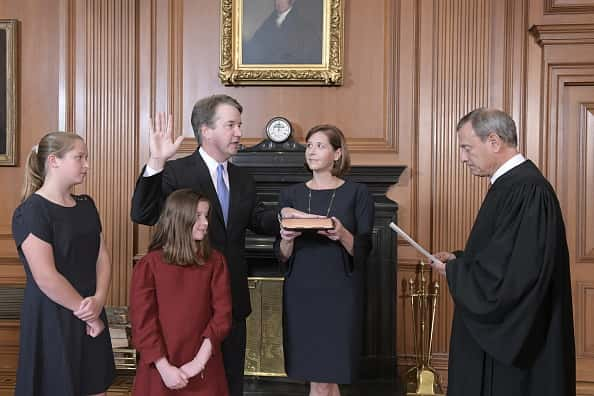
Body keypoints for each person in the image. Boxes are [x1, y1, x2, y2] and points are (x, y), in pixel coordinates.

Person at [130, 94, 279, 396]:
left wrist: (288, 219)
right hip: (189, 308)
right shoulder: (176, 172)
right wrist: (157, 160)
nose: (239, 132)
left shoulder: (243, 178)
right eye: (231, 125)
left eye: (240, 124)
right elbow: (143, 213)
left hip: (232, 302)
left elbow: (258, 219)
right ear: (206, 130)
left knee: (230, 386)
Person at [430, 108, 576, 396]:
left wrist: (458, 272)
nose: (462, 157)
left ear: (494, 142)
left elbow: (517, 274)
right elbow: (502, 254)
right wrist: (462, 260)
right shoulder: (512, 186)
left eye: (466, 147)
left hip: (524, 342)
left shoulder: (528, 190)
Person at [12, 132, 115, 396]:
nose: (87, 164)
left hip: (91, 308)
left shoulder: (86, 205)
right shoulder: (32, 211)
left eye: (86, 158)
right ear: (53, 161)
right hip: (53, 317)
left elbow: (102, 256)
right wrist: (88, 312)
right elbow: (46, 277)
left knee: (95, 387)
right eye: (79, 157)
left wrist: (99, 300)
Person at [276, 125, 375, 396]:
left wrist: (342, 233)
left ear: (337, 153)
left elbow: (365, 249)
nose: (312, 151)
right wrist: (286, 237)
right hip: (301, 291)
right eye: (309, 145)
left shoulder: (357, 193)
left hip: (339, 291)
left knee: (326, 375)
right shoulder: (290, 196)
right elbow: (282, 255)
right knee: (321, 378)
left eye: (320, 145)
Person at [130, 189, 232, 395]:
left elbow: (222, 317)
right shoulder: (149, 265)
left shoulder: (215, 261)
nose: (205, 223)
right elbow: (142, 322)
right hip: (158, 368)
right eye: (198, 216)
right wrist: (164, 368)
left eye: (206, 215)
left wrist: (198, 363)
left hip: (204, 367)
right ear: (179, 219)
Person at [243, 0, 322, 64]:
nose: (278, 2)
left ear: (292, 1)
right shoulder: (269, 21)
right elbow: (256, 42)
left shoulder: (303, 26)